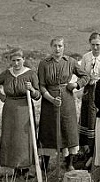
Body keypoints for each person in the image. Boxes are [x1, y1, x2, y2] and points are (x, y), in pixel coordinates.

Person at [37, 37, 89, 172]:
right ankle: (45, 163)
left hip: (66, 98)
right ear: (51, 47)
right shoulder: (44, 63)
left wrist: (76, 84)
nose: (57, 49)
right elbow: (42, 86)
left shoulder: (70, 62)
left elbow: (86, 76)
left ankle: (69, 162)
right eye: (54, 46)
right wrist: (50, 98)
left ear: (64, 47)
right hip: (49, 101)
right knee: (48, 130)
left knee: (68, 128)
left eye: (60, 46)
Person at [0, 48, 41, 177]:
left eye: (18, 60)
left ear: (24, 60)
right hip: (9, 109)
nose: (16, 63)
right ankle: (13, 167)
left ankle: (25, 167)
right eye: (13, 61)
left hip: (25, 108)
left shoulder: (30, 74)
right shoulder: (6, 74)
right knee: (11, 137)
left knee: (23, 138)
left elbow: (37, 95)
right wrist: (1, 96)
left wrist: (31, 89)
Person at [78, 33, 100, 162]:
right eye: (93, 45)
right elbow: (81, 74)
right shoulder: (86, 57)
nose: (96, 47)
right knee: (88, 119)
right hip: (88, 92)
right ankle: (88, 151)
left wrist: (98, 81)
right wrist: (88, 79)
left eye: (98, 44)